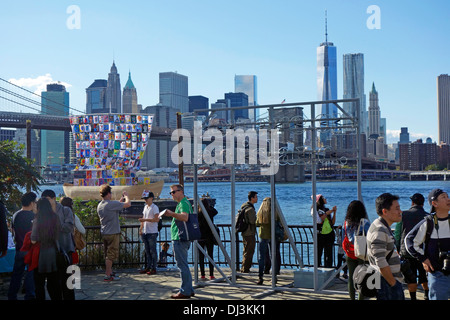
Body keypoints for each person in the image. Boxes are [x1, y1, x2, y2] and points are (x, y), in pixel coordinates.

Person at [405, 188, 450, 300]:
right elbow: (409, 241)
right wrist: (423, 258)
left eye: (447, 196)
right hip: (438, 274)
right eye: (443, 197)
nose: (448, 199)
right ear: (434, 203)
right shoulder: (428, 222)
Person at [367, 193, 404, 300]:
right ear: (385, 211)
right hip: (386, 284)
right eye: (397, 208)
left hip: (384, 281)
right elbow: (380, 260)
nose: (400, 211)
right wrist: (393, 283)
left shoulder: (379, 225)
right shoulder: (380, 230)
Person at [394, 193, 429, 300]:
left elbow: (398, 234)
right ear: (423, 204)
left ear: (412, 203)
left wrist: (398, 249)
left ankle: (413, 298)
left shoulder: (403, 215)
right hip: (423, 252)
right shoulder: (428, 216)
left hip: (407, 252)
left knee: (410, 277)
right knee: (424, 276)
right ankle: (427, 295)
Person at [41, 189, 75, 299]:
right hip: (51, 252)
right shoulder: (44, 213)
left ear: (54, 198)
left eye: (47, 200)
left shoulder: (66, 210)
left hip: (65, 250)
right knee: (53, 283)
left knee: (68, 282)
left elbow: (69, 227)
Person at [164, 184, 195, 299]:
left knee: (182, 265)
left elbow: (185, 217)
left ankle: (185, 291)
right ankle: (189, 289)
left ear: (180, 191)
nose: (171, 194)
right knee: (183, 264)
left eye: (173, 192)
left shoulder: (183, 203)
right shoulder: (183, 203)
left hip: (180, 238)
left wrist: (171, 214)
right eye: (170, 192)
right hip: (180, 237)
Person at [97, 184, 131, 281]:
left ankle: (110, 272)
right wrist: (126, 196)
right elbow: (128, 204)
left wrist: (120, 201)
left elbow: (114, 207)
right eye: (110, 193)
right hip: (113, 233)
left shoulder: (100, 205)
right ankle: (108, 275)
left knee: (107, 254)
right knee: (111, 255)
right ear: (108, 193)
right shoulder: (110, 204)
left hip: (105, 232)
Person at [31, 198, 62, 300]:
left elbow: (33, 240)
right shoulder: (55, 217)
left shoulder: (37, 220)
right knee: (54, 282)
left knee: (39, 283)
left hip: (40, 253)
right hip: (53, 251)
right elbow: (59, 234)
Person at [8, 192, 37, 300]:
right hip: (30, 250)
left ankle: (12, 295)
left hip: (19, 248)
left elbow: (12, 230)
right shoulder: (33, 216)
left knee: (16, 275)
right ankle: (29, 296)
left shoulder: (15, 215)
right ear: (31, 203)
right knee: (30, 274)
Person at [342, 200, 371, 300]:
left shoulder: (346, 223)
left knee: (351, 278)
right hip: (362, 253)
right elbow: (370, 237)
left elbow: (343, 238)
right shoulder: (365, 222)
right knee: (362, 278)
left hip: (350, 253)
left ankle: (352, 298)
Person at [255, 197, 282, 285]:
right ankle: (274, 277)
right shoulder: (275, 212)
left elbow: (257, 223)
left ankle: (260, 277)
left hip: (263, 235)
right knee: (273, 256)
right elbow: (280, 221)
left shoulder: (261, 212)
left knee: (261, 257)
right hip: (273, 235)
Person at [311, 194, 336, 268]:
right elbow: (319, 220)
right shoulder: (316, 210)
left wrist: (334, 213)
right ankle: (318, 270)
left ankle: (328, 270)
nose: (326, 199)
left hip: (329, 234)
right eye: (324, 198)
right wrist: (330, 212)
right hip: (320, 234)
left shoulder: (327, 209)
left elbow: (332, 222)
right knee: (318, 254)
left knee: (329, 255)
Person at [138, 190, 159, 275]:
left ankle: (153, 268)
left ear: (151, 198)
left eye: (146, 198)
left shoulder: (155, 207)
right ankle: (148, 267)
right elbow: (143, 217)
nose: (145, 200)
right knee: (147, 251)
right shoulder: (145, 207)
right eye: (144, 199)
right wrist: (141, 228)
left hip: (152, 232)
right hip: (145, 232)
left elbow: (156, 219)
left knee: (153, 251)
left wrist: (145, 220)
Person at [60, 197, 85, 265]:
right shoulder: (73, 216)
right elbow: (82, 230)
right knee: (72, 263)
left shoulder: (57, 215)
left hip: (59, 244)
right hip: (70, 244)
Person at [198, 198, 218, 280]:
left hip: (200, 236)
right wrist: (210, 206)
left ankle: (202, 274)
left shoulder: (198, 213)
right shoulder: (210, 212)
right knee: (210, 255)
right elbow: (216, 211)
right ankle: (211, 274)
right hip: (209, 236)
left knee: (201, 256)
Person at [239, 191, 258, 273]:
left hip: (245, 232)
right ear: (252, 198)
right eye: (256, 197)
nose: (257, 199)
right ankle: (246, 268)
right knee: (249, 250)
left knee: (246, 250)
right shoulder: (250, 209)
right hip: (249, 232)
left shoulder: (244, 207)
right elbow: (253, 221)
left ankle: (243, 267)